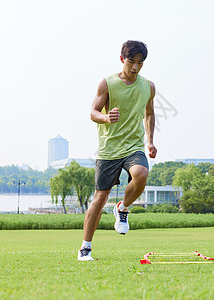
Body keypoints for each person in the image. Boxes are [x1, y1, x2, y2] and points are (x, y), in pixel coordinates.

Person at [78, 40, 157, 261]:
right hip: (109, 149)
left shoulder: (148, 86)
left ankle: (123, 207)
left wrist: (149, 141)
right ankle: (85, 248)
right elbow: (93, 112)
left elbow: (149, 113)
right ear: (122, 59)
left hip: (134, 145)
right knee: (100, 198)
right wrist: (106, 117)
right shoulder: (107, 83)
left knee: (141, 174)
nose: (135, 67)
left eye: (140, 63)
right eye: (131, 62)